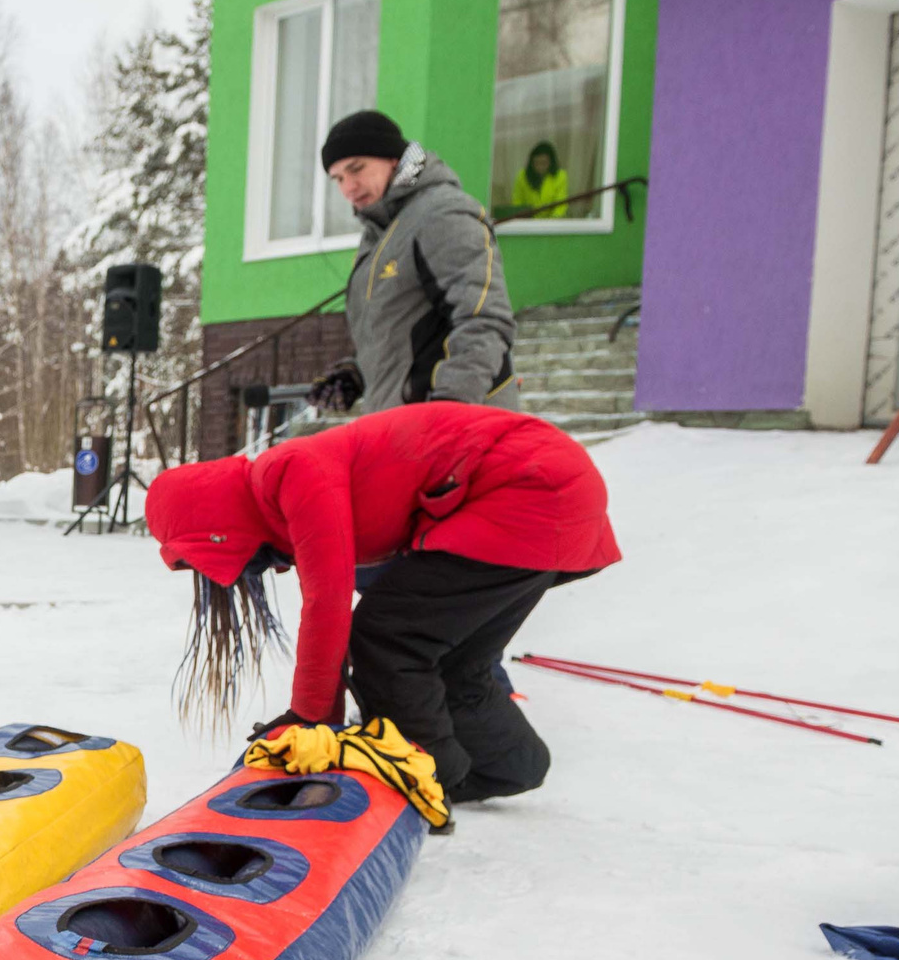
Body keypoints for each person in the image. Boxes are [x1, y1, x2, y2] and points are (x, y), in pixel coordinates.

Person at [144, 402, 619, 807]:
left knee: (386, 640)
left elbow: (327, 601)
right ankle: (510, 766)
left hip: (525, 488)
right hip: (552, 494)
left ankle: (427, 778)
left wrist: (311, 723)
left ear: (215, 525)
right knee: (453, 661)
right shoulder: (287, 489)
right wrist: (319, 719)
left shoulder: (287, 471)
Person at [319, 110, 520, 414]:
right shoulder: (380, 233)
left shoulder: (442, 214)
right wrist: (358, 372)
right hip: (404, 429)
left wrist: (449, 409)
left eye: (356, 169)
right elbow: (412, 335)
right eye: (338, 179)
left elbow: (484, 320)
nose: (348, 188)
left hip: (459, 430)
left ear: (393, 160)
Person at [509, 141, 570, 221]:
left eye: (544, 163)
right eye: (536, 163)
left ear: (551, 163)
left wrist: (551, 222)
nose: (540, 167)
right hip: (527, 223)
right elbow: (517, 202)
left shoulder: (560, 176)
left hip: (552, 223)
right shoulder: (522, 176)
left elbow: (561, 205)